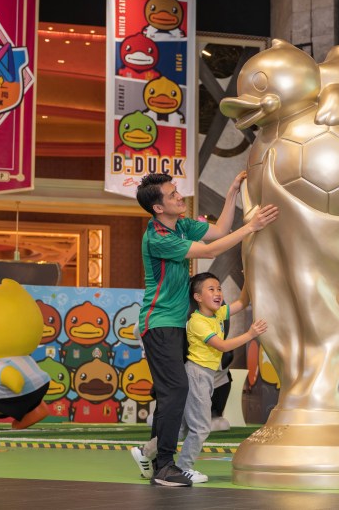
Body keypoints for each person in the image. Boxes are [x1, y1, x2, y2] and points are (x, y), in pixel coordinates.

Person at [129, 172, 278, 487]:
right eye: (172, 195)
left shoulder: (180, 225)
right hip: (159, 323)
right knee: (175, 391)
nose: (179, 196)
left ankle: (154, 457)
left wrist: (233, 191)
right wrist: (251, 227)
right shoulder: (157, 238)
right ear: (158, 208)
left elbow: (220, 230)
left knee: (174, 393)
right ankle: (165, 467)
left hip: (176, 324)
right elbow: (210, 251)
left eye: (176, 191)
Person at [138, 273, 267, 484]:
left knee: (182, 428)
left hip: (205, 375)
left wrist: (248, 274)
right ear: (197, 297)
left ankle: (145, 451)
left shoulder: (218, 313)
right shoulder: (198, 322)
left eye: (219, 289)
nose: (218, 293)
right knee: (201, 428)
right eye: (211, 289)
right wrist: (250, 334)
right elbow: (222, 346)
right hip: (198, 375)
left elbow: (243, 302)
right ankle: (184, 467)